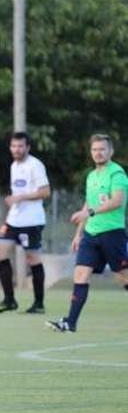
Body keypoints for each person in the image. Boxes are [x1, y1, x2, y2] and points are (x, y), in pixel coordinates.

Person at [48, 134, 128, 333]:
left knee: (123, 275)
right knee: (81, 274)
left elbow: (118, 201)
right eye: (94, 150)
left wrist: (90, 212)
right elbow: (88, 204)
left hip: (112, 233)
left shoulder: (117, 173)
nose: (98, 153)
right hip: (91, 234)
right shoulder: (91, 176)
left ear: (110, 151)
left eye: (102, 149)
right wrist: (78, 233)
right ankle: (70, 322)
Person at [0, 132, 51, 314]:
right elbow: (17, 195)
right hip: (14, 220)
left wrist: (21, 197)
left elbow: (45, 192)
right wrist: (11, 209)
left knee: (33, 259)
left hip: (31, 221)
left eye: (20, 146)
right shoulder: (14, 165)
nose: (17, 149)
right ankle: (9, 300)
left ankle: (38, 304)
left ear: (28, 147)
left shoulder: (35, 165)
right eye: (14, 146)